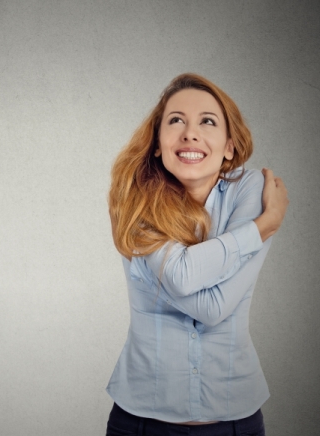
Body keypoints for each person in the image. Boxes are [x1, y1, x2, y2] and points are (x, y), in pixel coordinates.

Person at [105, 74, 289, 436]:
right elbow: (192, 286)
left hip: (235, 419)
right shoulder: (135, 201)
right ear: (157, 144)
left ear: (229, 146)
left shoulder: (252, 189)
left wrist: (259, 223)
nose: (190, 133)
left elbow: (214, 307)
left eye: (207, 121)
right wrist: (261, 228)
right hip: (142, 421)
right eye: (176, 120)